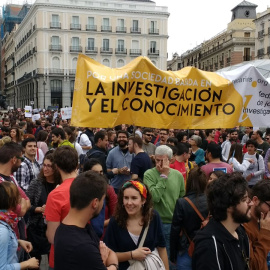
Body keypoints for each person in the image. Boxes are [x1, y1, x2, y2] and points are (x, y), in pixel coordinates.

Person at [54, 171, 118, 270]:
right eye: (103, 200)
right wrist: (113, 265)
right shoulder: (83, 246)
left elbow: (110, 253)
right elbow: (110, 255)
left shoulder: (73, 228)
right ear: (95, 203)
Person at [192, 173, 253, 270]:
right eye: (245, 200)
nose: (251, 203)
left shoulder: (240, 232)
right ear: (229, 206)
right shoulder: (209, 245)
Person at [104, 180, 169, 270]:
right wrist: (132, 255)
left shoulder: (153, 217)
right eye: (126, 198)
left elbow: (161, 248)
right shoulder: (115, 221)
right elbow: (107, 256)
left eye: (134, 198)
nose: (129, 203)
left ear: (143, 200)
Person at [144, 145, 185, 260]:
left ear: (171, 160)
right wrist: (164, 176)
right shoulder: (149, 174)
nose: (159, 164)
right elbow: (154, 197)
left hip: (173, 223)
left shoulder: (178, 175)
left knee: (171, 257)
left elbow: (182, 199)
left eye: (163, 161)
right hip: (155, 221)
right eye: (157, 160)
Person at [44, 146, 78, 270]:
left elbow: (52, 236)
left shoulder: (55, 195)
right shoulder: (89, 187)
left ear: (57, 166)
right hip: (87, 253)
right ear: (77, 164)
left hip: (62, 257)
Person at [26, 153, 62, 263]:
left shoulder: (60, 184)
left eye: (49, 166)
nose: (45, 168)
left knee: (54, 258)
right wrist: (38, 209)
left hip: (54, 227)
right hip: (36, 228)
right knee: (35, 261)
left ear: (56, 168)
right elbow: (27, 205)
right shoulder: (36, 183)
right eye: (44, 165)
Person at [170, 168, 208, 270]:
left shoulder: (182, 202)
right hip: (206, 247)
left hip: (186, 247)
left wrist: (172, 254)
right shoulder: (211, 200)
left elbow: (175, 229)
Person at [0, 181, 39, 269]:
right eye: (17, 196)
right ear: (11, 200)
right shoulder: (3, 230)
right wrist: (27, 263)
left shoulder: (4, 220)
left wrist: (17, 241)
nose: (20, 198)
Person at [83, 158, 117, 238]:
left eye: (101, 172)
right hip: (84, 236)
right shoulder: (81, 191)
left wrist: (100, 224)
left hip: (104, 237)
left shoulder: (108, 190)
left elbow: (116, 215)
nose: (99, 175)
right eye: (95, 173)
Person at [243, 180, 270, 270]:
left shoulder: (263, 218)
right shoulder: (244, 226)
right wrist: (266, 232)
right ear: (255, 200)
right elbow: (254, 265)